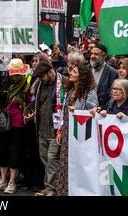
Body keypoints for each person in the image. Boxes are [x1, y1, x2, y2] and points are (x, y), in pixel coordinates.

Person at [55, 62, 98, 196]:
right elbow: (64, 112)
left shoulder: (89, 93)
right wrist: (60, 130)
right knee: (65, 162)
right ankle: (64, 191)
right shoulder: (72, 91)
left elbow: (93, 112)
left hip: (80, 135)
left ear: (82, 76)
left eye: (74, 71)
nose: (71, 73)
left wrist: (78, 109)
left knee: (77, 163)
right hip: (67, 131)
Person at [0, 59, 30, 195]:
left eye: (18, 74)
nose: (16, 77)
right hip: (2, 122)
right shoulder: (4, 84)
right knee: (1, 150)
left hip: (18, 122)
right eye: (14, 74)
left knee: (15, 152)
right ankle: (2, 179)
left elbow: (30, 102)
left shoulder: (26, 86)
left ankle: (12, 181)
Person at [24, 61, 64, 196]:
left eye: (42, 76)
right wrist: (30, 112)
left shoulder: (64, 82)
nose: (40, 79)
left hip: (55, 129)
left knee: (52, 160)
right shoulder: (40, 84)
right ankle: (52, 186)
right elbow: (36, 103)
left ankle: (50, 189)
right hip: (41, 129)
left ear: (49, 72)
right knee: (45, 160)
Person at [89, 43, 117, 110]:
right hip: (87, 111)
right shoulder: (88, 70)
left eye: (96, 54)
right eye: (92, 53)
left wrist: (102, 108)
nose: (92, 56)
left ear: (103, 56)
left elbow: (112, 97)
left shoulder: (112, 72)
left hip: (102, 113)